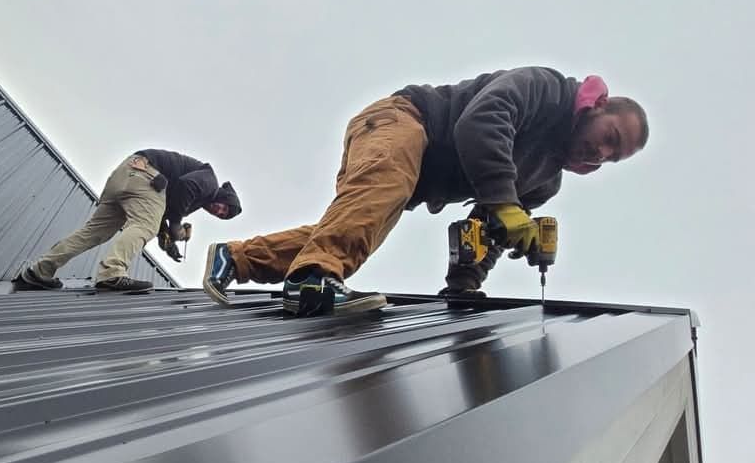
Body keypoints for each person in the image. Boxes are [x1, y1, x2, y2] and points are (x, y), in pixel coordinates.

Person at [202, 67, 648, 316]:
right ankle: (310, 281)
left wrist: (464, 285)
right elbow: (481, 123)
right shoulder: (546, 89)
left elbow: (483, 231)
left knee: (359, 227)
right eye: (610, 136)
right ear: (600, 106)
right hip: (404, 120)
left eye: (613, 156)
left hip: (413, 177)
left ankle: (235, 258)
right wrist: (506, 203)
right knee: (378, 197)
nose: (602, 152)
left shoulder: (545, 180)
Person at [18, 149, 241, 292]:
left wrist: (169, 242)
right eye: (224, 206)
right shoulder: (210, 181)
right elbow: (183, 189)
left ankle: (39, 271)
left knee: (94, 232)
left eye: (223, 215)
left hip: (126, 175)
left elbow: (161, 212)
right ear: (222, 196)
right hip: (147, 176)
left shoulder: (194, 197)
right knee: (144, 226)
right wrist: (176, 227)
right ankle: (112, 272)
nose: (219, 211)